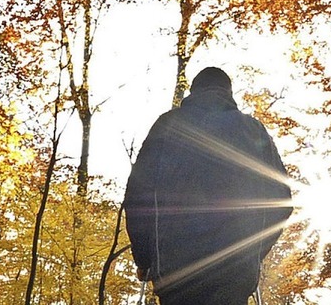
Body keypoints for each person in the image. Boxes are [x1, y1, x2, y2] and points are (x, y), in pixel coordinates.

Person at [124, 67, 292, 305]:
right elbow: (281, 201)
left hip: (176, 271)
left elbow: (138, 196)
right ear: (229, 93)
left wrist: (144, 259)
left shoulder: (167, 126)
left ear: (193, 91)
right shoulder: (252, 130)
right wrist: (252, 253)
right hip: (233, 270)